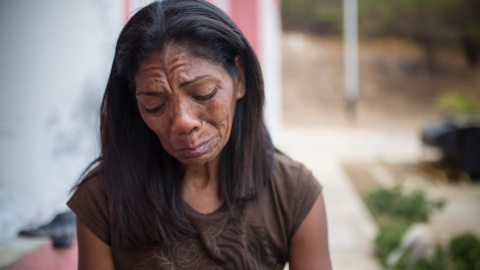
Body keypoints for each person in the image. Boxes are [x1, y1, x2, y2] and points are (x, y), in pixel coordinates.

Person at [68, 0, 332, 269]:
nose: (183, 122)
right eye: (155, 105)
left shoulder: (294, 193)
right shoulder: (103, 198)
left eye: (203, 93)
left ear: (239, 78)